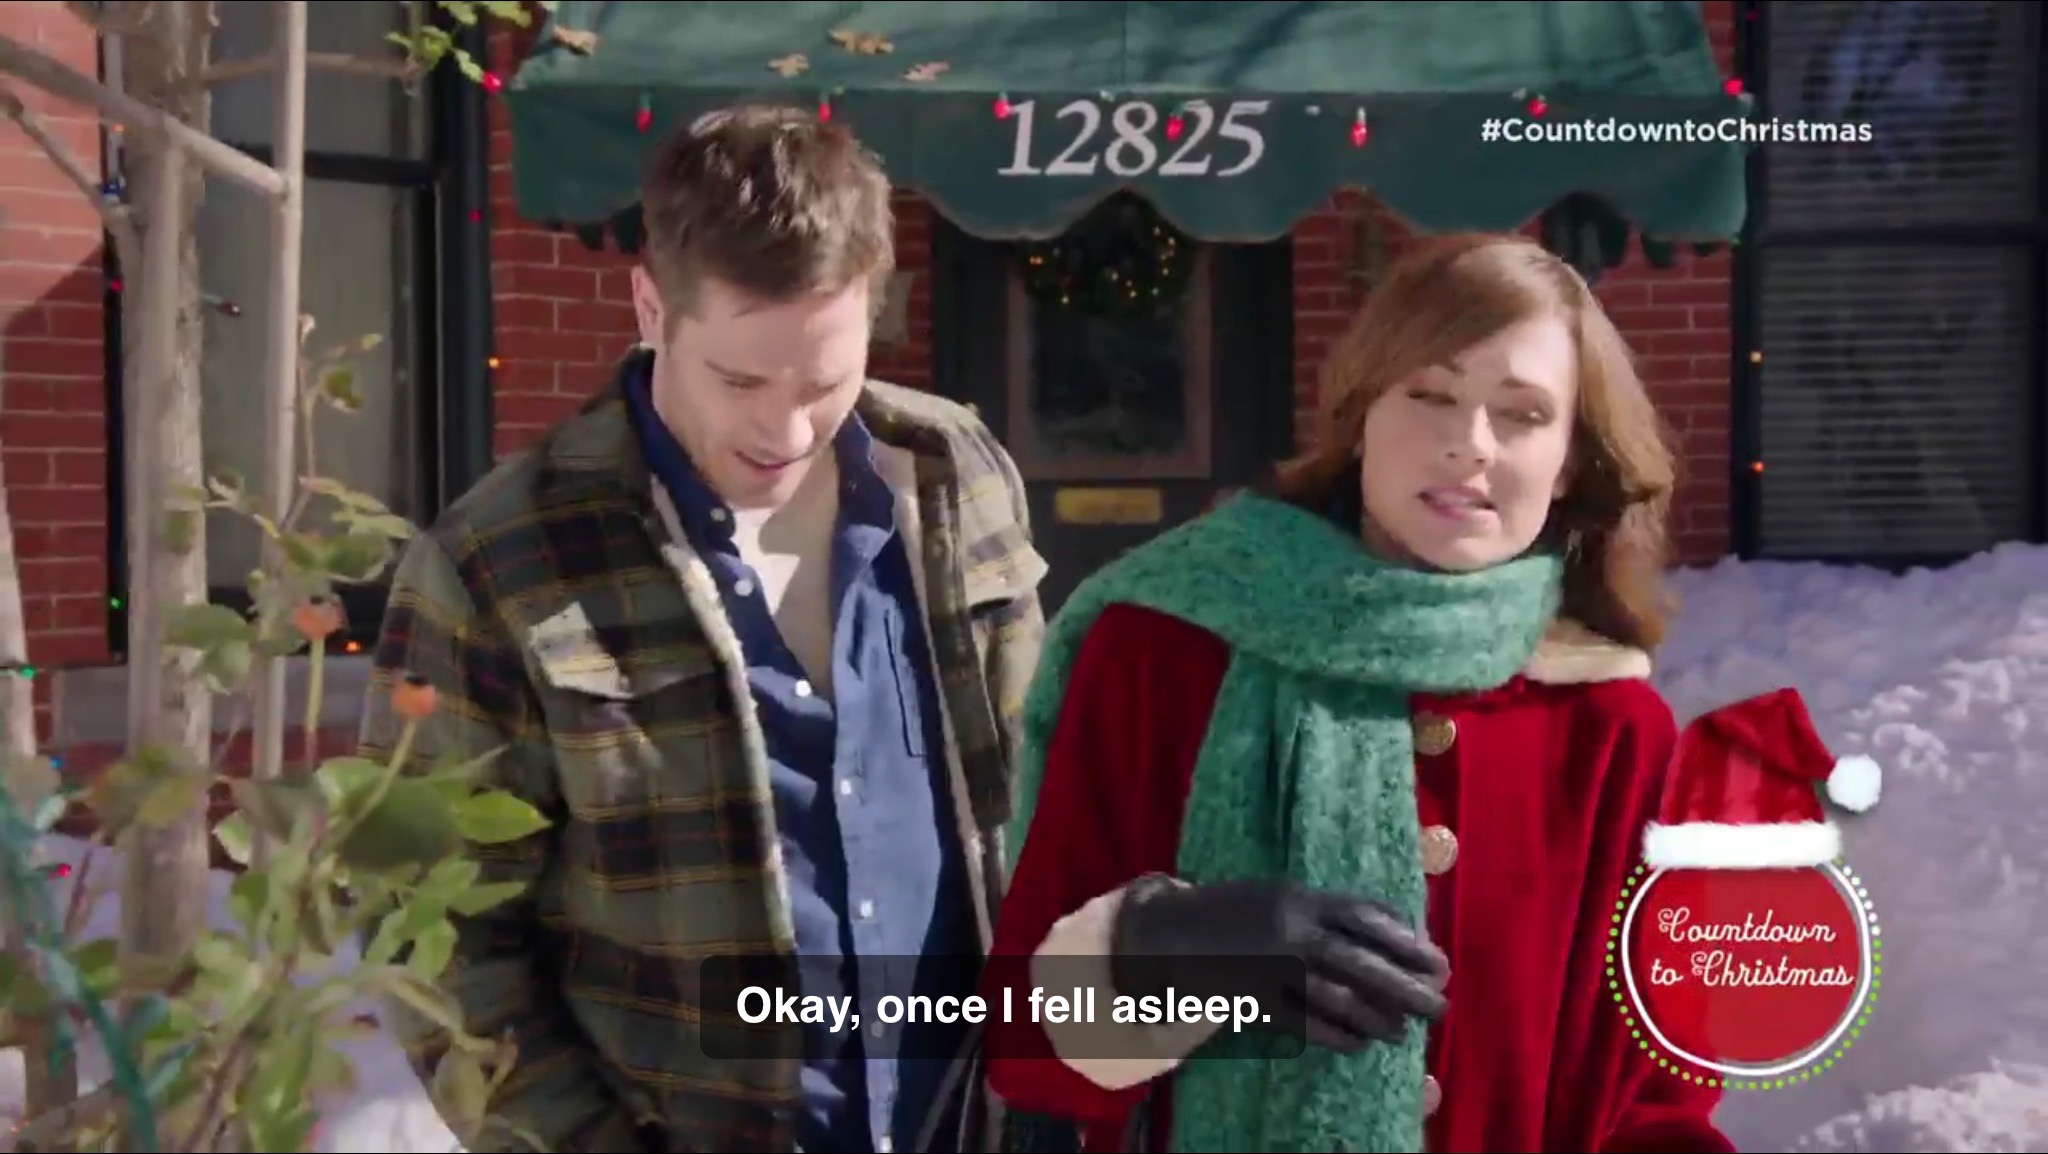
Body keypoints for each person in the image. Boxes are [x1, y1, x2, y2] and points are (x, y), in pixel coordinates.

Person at [359, 105, 1046, 1153]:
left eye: (825, 382)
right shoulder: (499, 561)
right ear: (650, 306)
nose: (785, 430)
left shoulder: (958, 473)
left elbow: (1038, 797)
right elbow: (432, 936)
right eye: (739, 380)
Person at [981, 233, 1736, 1153]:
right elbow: (1024, 1044)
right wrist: (1170, 952)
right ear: (1361, 412)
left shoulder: (1611, 727)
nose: (1468, 445)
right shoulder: (1163, 652)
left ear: (1571, 460)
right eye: (1430, 395)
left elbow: (1659, 1105)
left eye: (1523, 414)